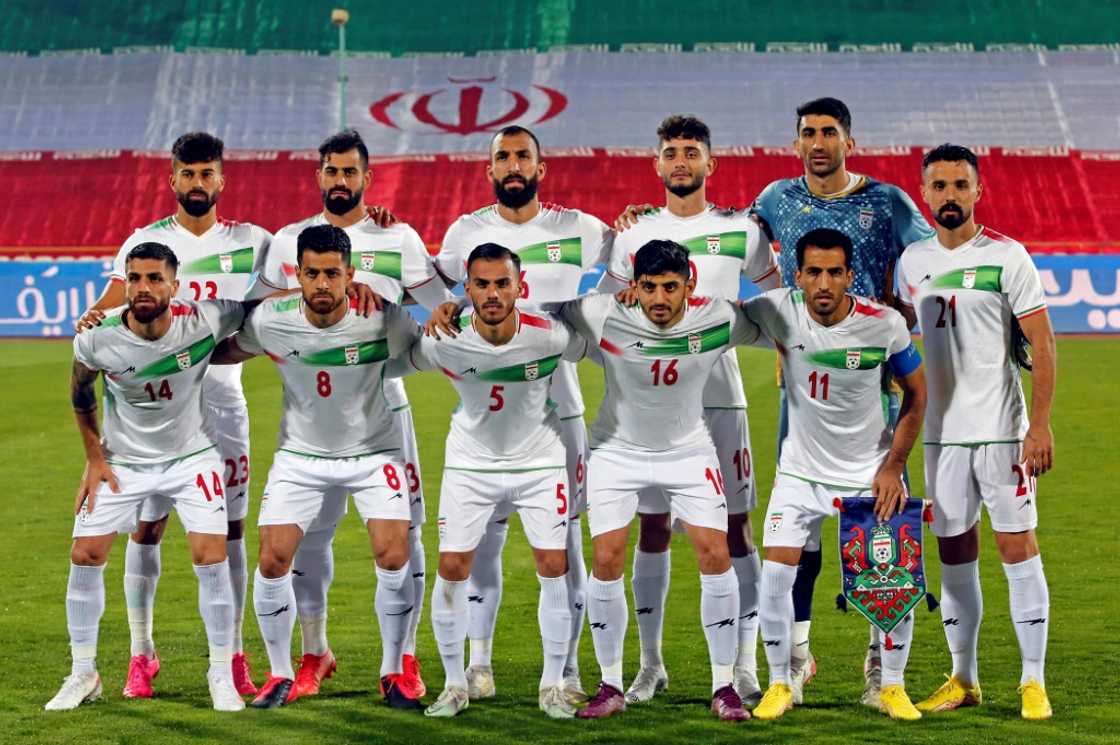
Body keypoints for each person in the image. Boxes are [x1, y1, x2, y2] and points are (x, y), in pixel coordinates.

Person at [248, 129, 453, 700]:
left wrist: (384, 298)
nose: (341, 180)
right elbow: (256, 310)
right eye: (332, 171)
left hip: (383, 407)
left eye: (350, 172)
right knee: (309, 541)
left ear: (367, 177)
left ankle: (403, 657)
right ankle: (313, 654)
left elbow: (440, 309)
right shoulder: (289, 240)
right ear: (318, 176)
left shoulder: (397, 235)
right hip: (314, 412)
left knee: (403, 537)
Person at [747, 97, 934, 706]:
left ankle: (882, 669)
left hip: (873, 373)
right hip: (801, 377)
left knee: (881, 536)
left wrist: (907, 307)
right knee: (798, 540)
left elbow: (930, 256)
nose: (819, 142)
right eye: (809, 133)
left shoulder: (887, 200)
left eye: (830, 132)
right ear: (796, 142)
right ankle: (796, 659)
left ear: (849, 142)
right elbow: (731, 243)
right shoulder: (776, 197)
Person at [73, 132, 272, 697]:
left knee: (230, 531)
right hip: (154, 408)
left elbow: (276, 296)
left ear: (221, 179)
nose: (197, 183)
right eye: (188, 173)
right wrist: (92, 317)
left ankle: (233, 655)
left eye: (207, 173)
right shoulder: (146, 242)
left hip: (222, 403)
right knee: (147, 526)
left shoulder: (254, 241)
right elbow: (113, 304)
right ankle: (142, 653)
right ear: (173, 178)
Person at [540, 239, 769, 721]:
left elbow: (776, 323)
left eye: (670, 287)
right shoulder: (603, 312)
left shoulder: (718, 318)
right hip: (616, 452)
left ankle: (724, 685)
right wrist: (456, 310)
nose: (659, 299)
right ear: (634, 285)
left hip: (689, 451)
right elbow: (544, 311)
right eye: (648, 287)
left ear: (689, 284)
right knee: (606, 558)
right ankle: (610, 685)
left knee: (715, 553)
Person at [596, 114, 779, 706]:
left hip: (720, 399)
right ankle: (650, 665)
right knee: (651, 528)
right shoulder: (632, 233)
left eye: (691, 152)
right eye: (671, 152)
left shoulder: (742, 230)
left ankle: (743, 664)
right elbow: (606, 310)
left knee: (735, 530)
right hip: (648, 407)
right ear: (657, 163)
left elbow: (777, 302)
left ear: (710, 163)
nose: (681, 161)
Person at [434, 125, 613, 703]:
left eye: (523, 156)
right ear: (489, 169)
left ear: (541, 167)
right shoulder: (465, 232)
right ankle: (478, 664)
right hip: (492, 412)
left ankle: (567, 670)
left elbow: (630, 261)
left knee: (566, 544)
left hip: (561, 413)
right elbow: (433, 292)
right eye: (503, 157)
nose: (513, 165)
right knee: (482, 542)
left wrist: (639, 219)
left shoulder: (579, 228)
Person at [213, 224, 423, 710]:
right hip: (301, 457)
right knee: (272, 558)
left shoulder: (382, 318)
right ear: (298, 275)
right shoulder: (272, 320)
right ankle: (280, 673)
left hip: (373, 454)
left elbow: (422, 351)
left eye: (332, 273)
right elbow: (227, 348)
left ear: (351, 274)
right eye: (312, 274)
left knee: (393, 553)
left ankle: (394, 670)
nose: (322, 283)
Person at [46, 242, 250, 712]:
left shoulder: (205, 319)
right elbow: (80, 391)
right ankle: (84, 673)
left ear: (174, 286)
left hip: (191, 458)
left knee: (211, 554)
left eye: (155, 278)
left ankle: (220, 672)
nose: (143, 287)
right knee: (85, 553)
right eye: (134, 278)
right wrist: (94, 458)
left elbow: (261, 309)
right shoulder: (98, 338)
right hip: (123, 460)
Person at [393, 243, 587, 719]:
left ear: (520, 287)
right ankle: (455, 685)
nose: (493, 293)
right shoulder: (443, 340)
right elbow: (393, 360)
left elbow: (606, 346)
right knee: (452, 567)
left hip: (539, 463)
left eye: (503, 283)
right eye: (481, 284)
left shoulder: (551, 335)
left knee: (554, 565)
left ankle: (552, 686)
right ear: (467, 289)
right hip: (470, 466)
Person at [898, 144, 1056, 721]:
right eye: (939, 186)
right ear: (924, 193)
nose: (950, 195)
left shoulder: (1007, 256)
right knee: (954, 553)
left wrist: (1039, 426)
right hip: (940, 435)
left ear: (977, 190)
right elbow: (901, 340)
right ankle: (963, 678)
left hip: (1001, 432)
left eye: (960, 185)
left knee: (1017, 547)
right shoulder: (912, 261)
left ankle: (1032, 680)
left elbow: (1043, 343)